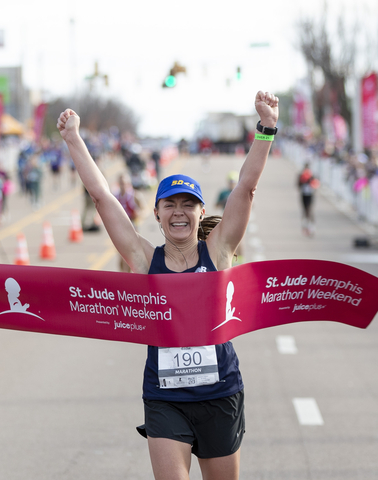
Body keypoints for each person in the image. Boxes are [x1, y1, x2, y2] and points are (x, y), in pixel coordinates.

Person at [57, 90, 279, 480]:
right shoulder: (146, 261)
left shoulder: (220, 251)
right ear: (157, 213)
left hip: (220, 391)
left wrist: (266, 129)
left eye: (187, 204)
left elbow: (245, 188)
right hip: (165, 397)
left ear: (201, 212)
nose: (179, 212)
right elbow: (103, 197)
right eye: (170, 205)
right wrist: (74, 137)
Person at [297, 162, 320, 236]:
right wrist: (303, 181)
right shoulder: (301, 175)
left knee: (309, 209)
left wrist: (310, 181)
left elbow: (316, 184)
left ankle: (311, 226)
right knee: (304, 210)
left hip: (310, 194)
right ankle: (305, 226)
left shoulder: (312, 175)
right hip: (304, 194)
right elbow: (298, 185)